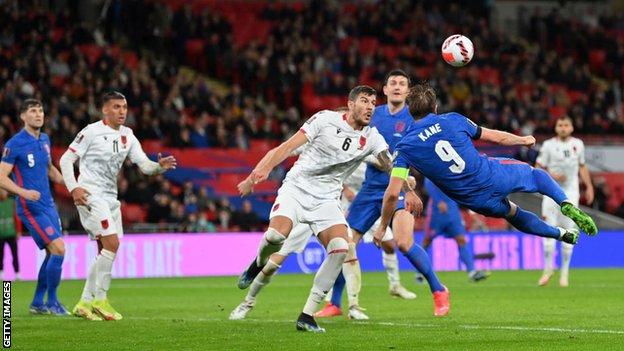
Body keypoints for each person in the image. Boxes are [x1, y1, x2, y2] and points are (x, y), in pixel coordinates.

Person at [375, 84, 598, 279]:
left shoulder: (404, 148)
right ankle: (565, 202)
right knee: (534, 175)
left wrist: (384, 227)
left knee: (514, 214)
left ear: (409, 111)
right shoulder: (453, 119)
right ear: (435, 107)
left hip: (475, 200)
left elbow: (393, 193)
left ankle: (559, 234)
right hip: (491, 175)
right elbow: (497, 137)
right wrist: (524, 140)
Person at [232, 86, 395, 332]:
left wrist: (406, 181)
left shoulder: (371, 137)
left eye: (374, 102)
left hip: (327, 200)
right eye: (365, 101)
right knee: (275, 239)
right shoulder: (323, 120)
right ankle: (255, 270)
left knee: (341, 248)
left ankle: (307, 315)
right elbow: (285, 147)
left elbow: (388, 163)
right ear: (350, 104)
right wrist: (256, 176)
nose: (371, 106)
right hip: (297, 190)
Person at [319, 70, 451, 319]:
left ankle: (438, 289)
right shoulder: (373, 114)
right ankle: (334, 303)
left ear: (408, 91)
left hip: (401, 186)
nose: (398, 87)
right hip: (370, 188)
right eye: (393, 83)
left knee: (403, 242)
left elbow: (426, 150)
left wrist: (412, 177)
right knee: (344, 246)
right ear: (386, 90)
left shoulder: (414, 117)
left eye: (403, 83)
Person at [59, 91, 177, 321]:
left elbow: (144, 166)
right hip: (90, 194)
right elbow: (66, 160)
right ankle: (100, 300)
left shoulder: (128, 135)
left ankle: (84, 302)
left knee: (106, 250)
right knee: (111, 244)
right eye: (116, 107)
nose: (122, 111)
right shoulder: (91, 131)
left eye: (124, 107)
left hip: (110, 198)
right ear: (104, 110)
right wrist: (74, 188)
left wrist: (159, 166)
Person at [0, 99, 69, 315]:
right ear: (23, 116)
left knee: (52, 254)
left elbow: (50, 170)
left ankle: (38, 303)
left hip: (48, 205)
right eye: (33, 111)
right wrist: (22, 192)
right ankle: (53, 302)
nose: (38, 114)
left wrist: (72, 184)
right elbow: (1, 176)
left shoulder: (45, 139)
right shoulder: (14, 144)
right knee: (58, 248)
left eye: (40, 110)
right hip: (30, 207)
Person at [535, 116, 594, 287]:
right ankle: (547, 269)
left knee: (570, 230)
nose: (563, 128)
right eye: (560, 125)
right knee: (548, 230)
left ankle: (564, 274)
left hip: (571, 193)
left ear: (572, 128)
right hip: (551, 192)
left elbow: (582, 166)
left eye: (566, 125)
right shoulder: (548, 145)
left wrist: (589, 186)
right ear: (555, 128)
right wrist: (552, 175)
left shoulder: (578, 144)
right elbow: (538, 167)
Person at [419, 178, 489, 282]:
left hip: (452, 210)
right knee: (427, 241)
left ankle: (472, 272)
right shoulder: (434, 165)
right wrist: (439, 200)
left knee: (461, 240)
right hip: (436, 211)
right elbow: (428, 181)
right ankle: (420, 273)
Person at [0, 189, 20, 281]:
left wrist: (18, 231)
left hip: (11, 233)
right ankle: (1, 273)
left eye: (3, 191)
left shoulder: (12, 202)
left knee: (15, 254)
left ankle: (17, 273)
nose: (2, 193)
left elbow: (17, 217)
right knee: (0, 255)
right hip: (1, 234)